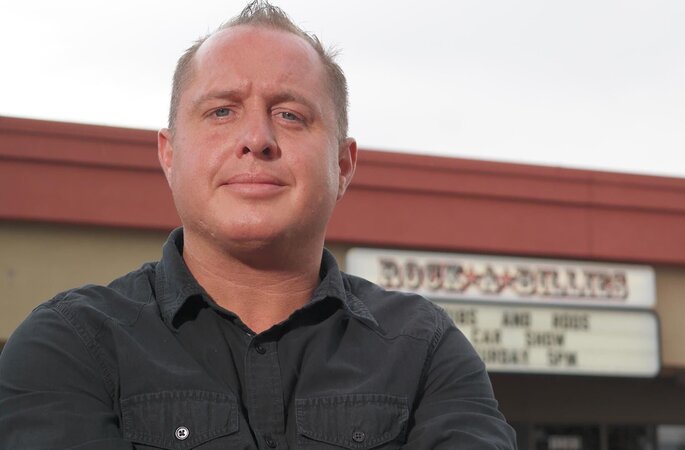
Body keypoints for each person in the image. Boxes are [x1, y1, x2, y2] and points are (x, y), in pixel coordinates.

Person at [0, 1, 517, 448]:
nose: (257, 138)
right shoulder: (69, 345)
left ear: (342, 165)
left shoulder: (425, 351)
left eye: (291, 115)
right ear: (170, 154)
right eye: (222, 111)